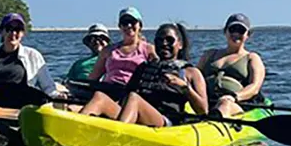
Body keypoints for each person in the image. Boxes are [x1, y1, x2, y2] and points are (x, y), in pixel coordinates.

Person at [80, 22, 208, 127]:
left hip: (165, 122)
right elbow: (126, 95)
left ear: (179, 44)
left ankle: (117, 136)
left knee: (134, 98)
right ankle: (75, 132)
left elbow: (203, 110)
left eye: (169, 40)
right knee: (100, 97)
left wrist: (185, 88)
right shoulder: (144, 67)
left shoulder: (191, 72)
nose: (164, 44)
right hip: (134, 116)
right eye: (159, 40)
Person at [197, 13, 266, 117]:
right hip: (208, 102)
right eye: (232, 29)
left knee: (225, 104)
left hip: (236, 104)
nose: (236, 33)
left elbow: (254, 87)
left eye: (241, 30)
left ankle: (216, 119)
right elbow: (194, 76)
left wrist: (234, 96)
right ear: (225, 31)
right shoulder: (209, 55)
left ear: (248, 35)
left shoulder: (252, 58)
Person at [88, 6, 157, 91]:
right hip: (108, 90)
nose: (129, 25)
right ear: (119, 26)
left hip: (132, 93)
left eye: (132, 22)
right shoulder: (108, 51)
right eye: (125, 22)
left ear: (140, 25)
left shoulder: (149, 49)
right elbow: (92, 78)